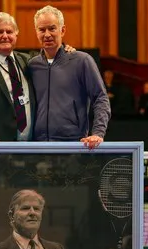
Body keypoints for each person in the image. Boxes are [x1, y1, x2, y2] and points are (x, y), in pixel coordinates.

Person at [0, 12, 74, 143]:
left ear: (16, 35)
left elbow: (52, 60)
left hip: (32, 149)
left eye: (9, 32)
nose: (5, 36)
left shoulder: (29, 62)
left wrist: (66, 52)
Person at [28, 5, 111, 149]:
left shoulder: (82, 61)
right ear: (36, 32)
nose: (47, 34)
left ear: (63, 30)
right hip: (38, 146)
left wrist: (98, 133)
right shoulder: (31, 65)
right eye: (42, 29)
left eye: (52, 28)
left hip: (74, 145)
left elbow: (100, 98)